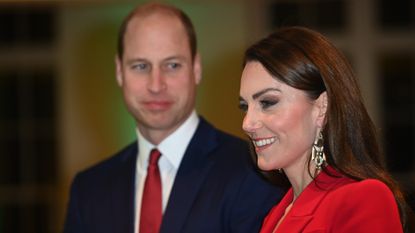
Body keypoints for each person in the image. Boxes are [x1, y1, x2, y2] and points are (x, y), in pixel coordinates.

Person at [63, 3, 283, 233]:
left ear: (196, 68)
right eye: (140, 66)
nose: (156, 85)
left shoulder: (253, 172)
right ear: (119, 72)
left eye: (172, 65)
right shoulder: (88, 189)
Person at [238, 26, 408, 233]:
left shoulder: (363, 198)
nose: (247, 123)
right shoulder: (276, 214)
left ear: (321, 107)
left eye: (267, 102)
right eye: (245, 106)